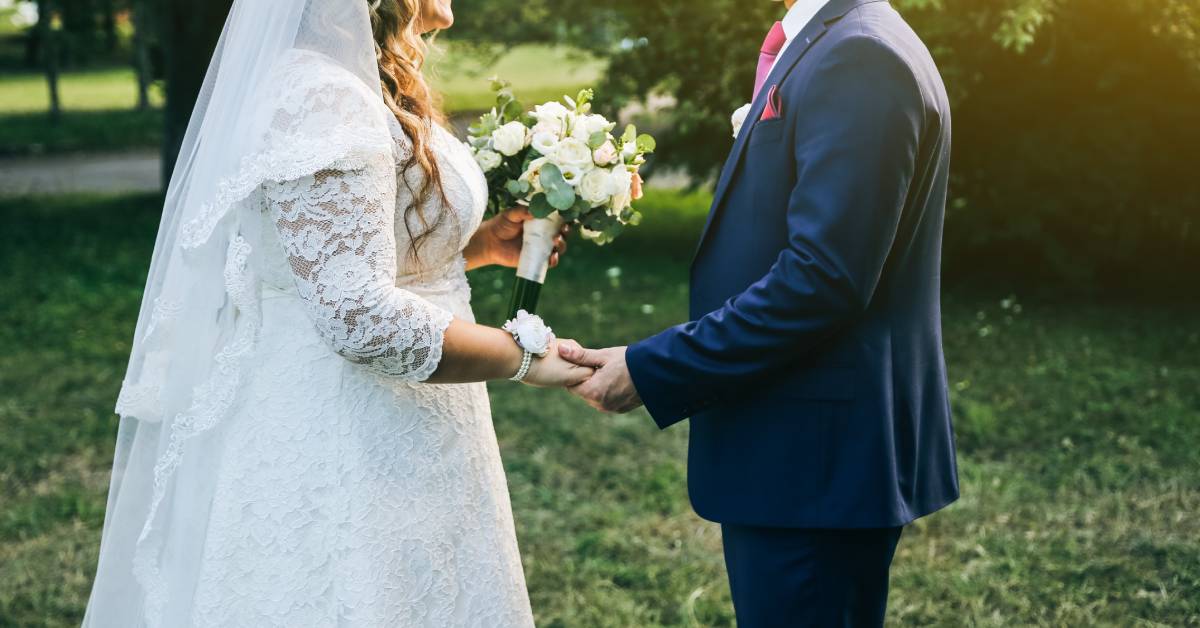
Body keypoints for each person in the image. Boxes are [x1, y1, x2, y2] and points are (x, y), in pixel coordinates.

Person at [83, 0, 590, 625]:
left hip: (406, 426)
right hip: (343, 429)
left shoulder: (359, 75)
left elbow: (353, 250)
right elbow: (356, 312)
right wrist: (525, 357)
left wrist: (476, 245)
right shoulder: (320, 95)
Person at [560, 0, 960, 625]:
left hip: (815, 461)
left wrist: (654, 369)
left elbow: (823, 279)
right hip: (799, 449)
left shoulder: (863, 56)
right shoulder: (829, 43)